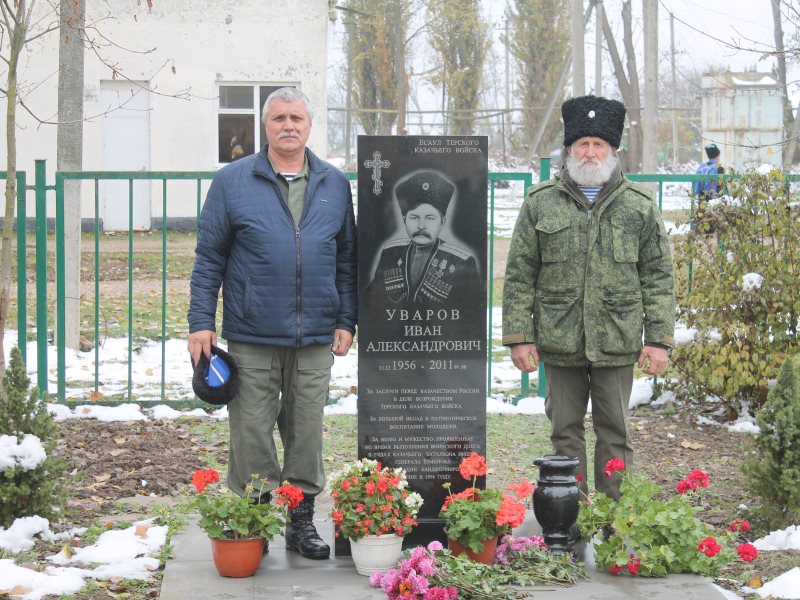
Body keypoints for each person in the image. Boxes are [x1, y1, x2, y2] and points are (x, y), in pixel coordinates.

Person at [188, 87, 357, 559]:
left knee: (307, 430)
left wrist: (346, 318)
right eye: (279, 117)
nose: (288, 125)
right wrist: (201, 321)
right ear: (266, 126)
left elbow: (347, 258)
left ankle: (300, 521)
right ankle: (256, 518)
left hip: (315, 336)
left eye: (296, 117)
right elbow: (209, 258)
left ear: (309, 125)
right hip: (251, 334)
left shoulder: (334, 183)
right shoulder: (233, 181)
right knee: (251, 431)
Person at [502, 95, 675, 500]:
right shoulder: (540, 202)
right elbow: (520, 274)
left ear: (613, 151)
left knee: (615, 432)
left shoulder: (639, 207)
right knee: (564, 432)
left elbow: (658, 276)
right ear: (569, 149)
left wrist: (658, 339)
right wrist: (519, 336)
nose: (591, 152)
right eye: (583, 144)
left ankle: (616, 520)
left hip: (617, 339)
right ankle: (569, 519)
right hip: (559, 339)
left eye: (600, 144)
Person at [367, 170, 480, 311]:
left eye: (430, 218)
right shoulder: (390, 252)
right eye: (414, 218)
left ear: (442, 222)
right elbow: (371, 302)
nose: (421, 226)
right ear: (404, 220)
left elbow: (471, 314)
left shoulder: (461, 261)